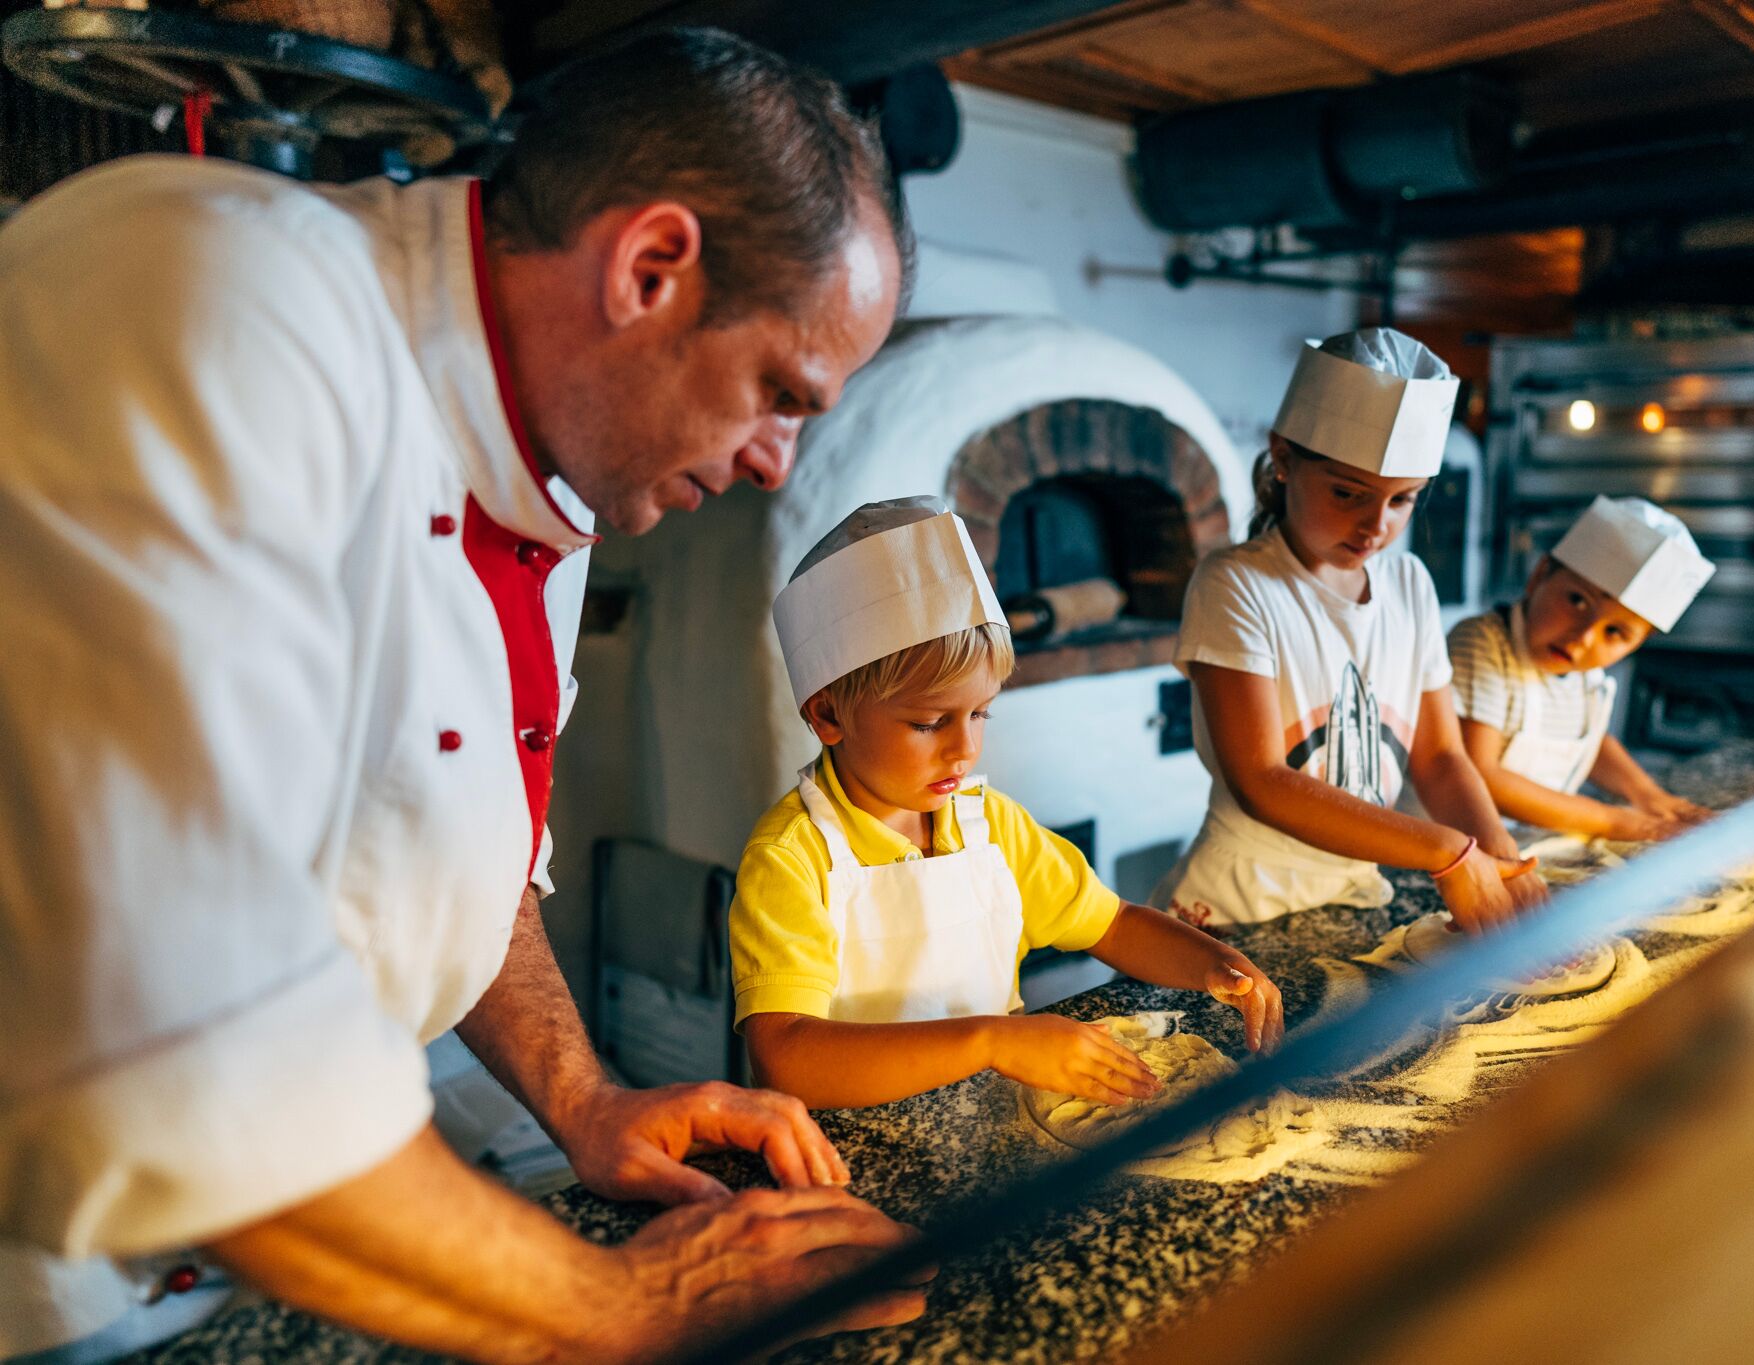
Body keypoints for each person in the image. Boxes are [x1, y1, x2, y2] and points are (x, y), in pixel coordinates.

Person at [0, 28, 925, 1365]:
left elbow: (445, 850)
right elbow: (170, 1025)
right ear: (650, 267)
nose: (780, 462)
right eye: (782, 393)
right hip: (48, 1279)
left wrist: (585, 1099)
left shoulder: (543, 477)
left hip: (275, 1243)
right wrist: (619, 1306)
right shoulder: (221, 297)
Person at [729, 499, 1286, 1110]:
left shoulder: (989, 824)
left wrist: (1218, 964)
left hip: (986, 1127)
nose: (963, 750)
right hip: (855, 1158)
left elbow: (1113, 922)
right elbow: (785, 1058)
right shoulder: (793, 859)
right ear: (829, 714)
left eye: (979, 713)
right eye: (929, 722)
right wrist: (994, 1040)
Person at [1158, 329, 1547, 932]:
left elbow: (1441, 757)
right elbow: (1262, 780)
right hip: (1239, 905)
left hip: (1355, 889)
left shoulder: (1410, 583)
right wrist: (1448, 851)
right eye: (1348, 493)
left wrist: (1502, 859)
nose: (1375, 526)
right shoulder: (1236, 585)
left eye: (1403, 501)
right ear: (1284, 458)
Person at [1451, 495, 1717, 841]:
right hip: (1448, 844)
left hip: (1522, 841)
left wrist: (1649, 796)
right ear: (1539, 576)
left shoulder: (1583, 674)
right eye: (1577, 600)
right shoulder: (1484, 643)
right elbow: (1480, 773)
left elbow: (1589, 742)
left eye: (1615, 632)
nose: (1583, 639)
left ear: (1638, 643)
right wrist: (1616, 821)